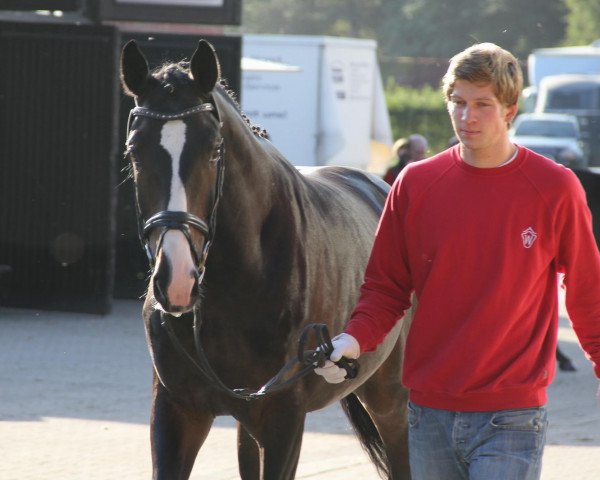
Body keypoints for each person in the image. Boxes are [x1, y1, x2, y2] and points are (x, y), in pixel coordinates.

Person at [315, 42, 600, 480]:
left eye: (482, 104)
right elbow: (386, 288)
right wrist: (352, 341)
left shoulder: (555, 188)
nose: (467, 117)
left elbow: (586, 288)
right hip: (428, 413)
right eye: (458, 102)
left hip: (512, 416)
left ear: (509, 109)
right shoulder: (415, 184)